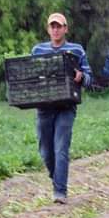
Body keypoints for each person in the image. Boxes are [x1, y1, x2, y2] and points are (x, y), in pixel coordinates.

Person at [32, 12, 92, 204]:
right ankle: (56, 177)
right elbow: (32, 75)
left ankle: (60, 192)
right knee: (46, 151)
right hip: (44, 107)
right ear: (48, 29)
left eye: (59, 26)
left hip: (66, 106)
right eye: (53, 26)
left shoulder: (77, 50)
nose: (56, 30)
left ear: (66, 29)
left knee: (61, 149)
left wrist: (81, 77)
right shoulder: (38, 50)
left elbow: (89, 78)